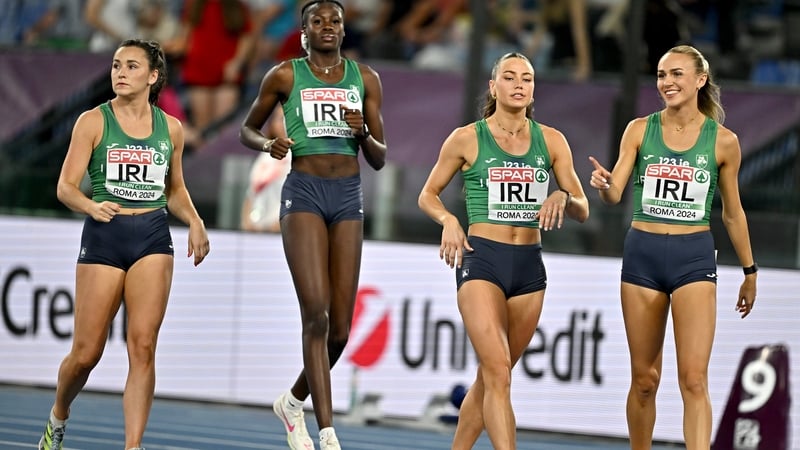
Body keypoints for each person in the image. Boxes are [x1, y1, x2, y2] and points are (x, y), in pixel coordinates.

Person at [38, 38, 210, 450]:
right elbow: (65, 186)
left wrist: (196, 220)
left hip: (151, 234)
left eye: (131, 66)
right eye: (116, 65)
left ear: (153, 77)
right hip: (105, 235)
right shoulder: (93, 122)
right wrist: (91, 206)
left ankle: (133, 446)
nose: (120, 73)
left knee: (144, 346)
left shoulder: (171, 128)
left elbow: (175, 189)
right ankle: (58, 417)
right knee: (86, 353)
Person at [588, 44, 757, 450]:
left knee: (694, 379)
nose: (667, 82)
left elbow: (733, 214)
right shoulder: (638, 129)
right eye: (662, 74)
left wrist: (750, 272)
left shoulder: (723, 142)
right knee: (645, 380)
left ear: (700, 80)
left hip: (693, 257)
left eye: (677, 74)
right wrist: (606, 186)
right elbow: (615, 196)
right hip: (642, 255)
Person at [418, 52, 589, 449]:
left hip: (529, 267)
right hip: (482, 261)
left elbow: (583, 207)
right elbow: (427, 195)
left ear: (532, 91)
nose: (518, 84)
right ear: (493, 87)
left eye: (526, 79)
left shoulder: (552, 140)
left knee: (493, 377)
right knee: (497, 372)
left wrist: (562, 195)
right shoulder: (466, 137)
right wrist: (449, 221)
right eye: (509, 77)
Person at [238, 1, 387, 449]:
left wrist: (362, 133)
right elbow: (247, 128)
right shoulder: (284, 76)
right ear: (303, 31)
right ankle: (325, 431)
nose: (326, 27)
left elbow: (379, 158)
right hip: (302, 193)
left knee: (340, 330)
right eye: (317, 21)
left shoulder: (366, 79)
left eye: (334, 21)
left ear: (344, 29)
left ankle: (292, 400)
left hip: (347, 197)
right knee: (317, 316)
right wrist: (269, 144)